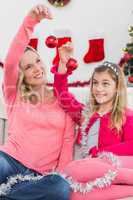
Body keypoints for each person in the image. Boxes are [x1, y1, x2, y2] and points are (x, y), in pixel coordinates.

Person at [0, 4, 75, 200]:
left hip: (37, 178)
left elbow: (67, 146)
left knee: (61, 188)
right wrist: (31, 21)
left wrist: (60, 175)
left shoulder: (63, 100)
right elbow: (10, 63)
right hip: (8, 161)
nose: (36, 68)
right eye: (28, 66)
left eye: (38, 61)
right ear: (21, 74)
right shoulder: (14, 94)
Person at [52, 43, 133, 199]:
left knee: (73, 169)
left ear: (117, 88)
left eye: (105, 83)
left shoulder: (126, 115)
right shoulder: (85, 114)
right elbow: (61, 94)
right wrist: (62, 64)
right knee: (74, 194)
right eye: (95, 83)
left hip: (115, 164)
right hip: (94, 173)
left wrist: (101, 155)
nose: (98, 88)